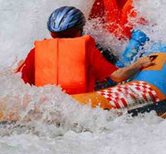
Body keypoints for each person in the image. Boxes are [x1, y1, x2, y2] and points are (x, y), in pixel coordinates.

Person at [15, 6, 155, 95]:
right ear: (79, 30)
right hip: (81, 104)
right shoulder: (85, 47)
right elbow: (118, 76)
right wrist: (139, 64)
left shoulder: (36, 51)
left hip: (49, 105)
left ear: (51, 32)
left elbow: (20, 83)